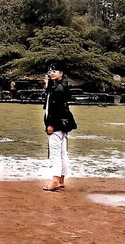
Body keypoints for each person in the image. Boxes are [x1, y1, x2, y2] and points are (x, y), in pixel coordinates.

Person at [42, 63, 71, 191]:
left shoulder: (57, 89)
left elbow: (54, 109)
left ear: (61, 73)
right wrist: (47, 85)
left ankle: (55, 181)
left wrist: (50, 124)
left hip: (56, 124)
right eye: (50, 71)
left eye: (55, 71)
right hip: (63, 124)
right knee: (62, 153)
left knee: (55, 154)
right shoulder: (61, 86)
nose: (52, 73)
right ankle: (61, 179)